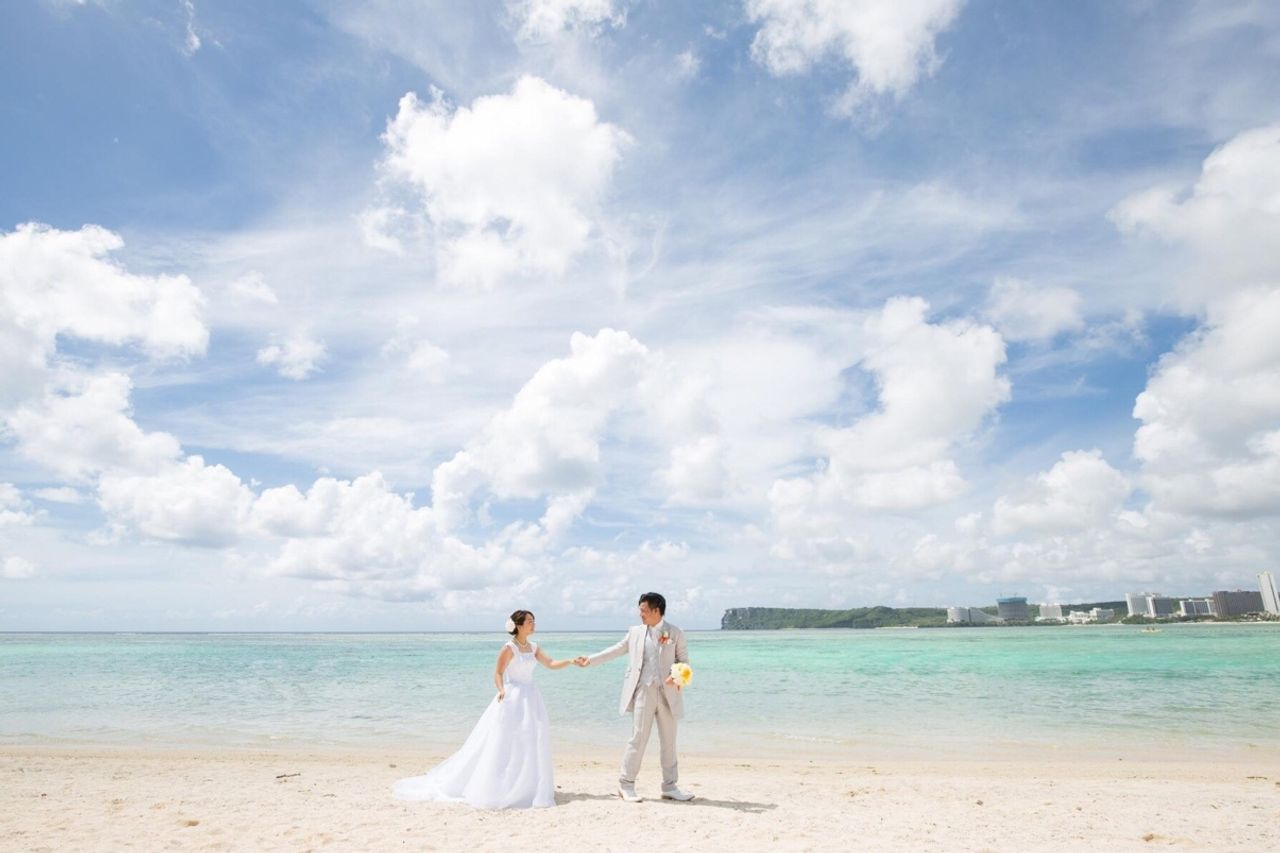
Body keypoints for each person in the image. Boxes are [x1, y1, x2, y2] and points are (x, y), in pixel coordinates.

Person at [393, 610, 573, 809]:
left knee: (530, 739)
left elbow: (551, 663)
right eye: (530, 621)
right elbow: (498, 673)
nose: (533, 624)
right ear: (519, 625)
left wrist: (571, 661)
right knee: (506, 741)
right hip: (512, 697)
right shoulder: (509, 648)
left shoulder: (534, 647)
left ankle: (527, 787)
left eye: (533, 620)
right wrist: (501, 689)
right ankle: (501, 786)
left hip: (531, 697)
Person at [574, 592, 694, 802]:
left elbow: (684, 662)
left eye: (644, 610)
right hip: (643, 692)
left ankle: (670, 786)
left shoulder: (675, 632)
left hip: (668, 694)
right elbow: (616, 650)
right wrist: (590, 660)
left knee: (669, 741)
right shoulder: (635, 632)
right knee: (638, 738)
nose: (640, 614)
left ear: (656, 610)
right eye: (640, 610)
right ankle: (626, 784)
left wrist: (676, 676)